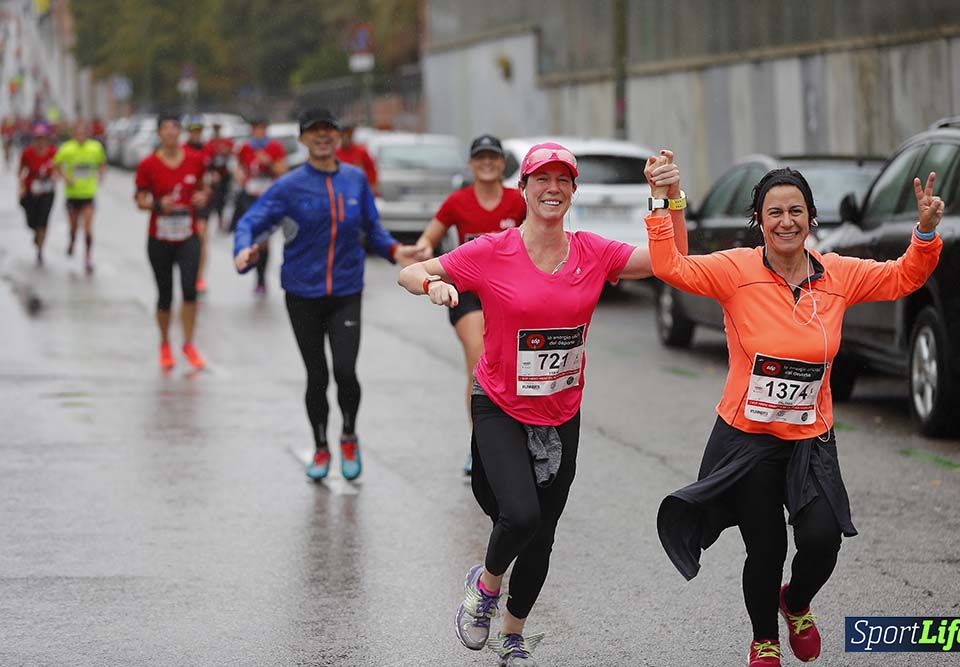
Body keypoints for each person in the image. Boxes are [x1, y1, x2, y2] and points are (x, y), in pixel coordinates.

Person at [646, 153, 944, 666]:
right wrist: (664, 200)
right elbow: (670, 264)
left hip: (811, 436)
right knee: (765, 549)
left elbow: (902, 278)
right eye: (774, 212)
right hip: (749, 437)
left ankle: (795, 601)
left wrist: (924, 232)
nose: (786, 222)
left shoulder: (837, 274)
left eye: (796, 211)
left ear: (810, 218)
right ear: (759, 222)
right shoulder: (735, 270)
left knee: (823, 539)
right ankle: (764, 639)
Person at [398, 142, 680, 666]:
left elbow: (669, 263)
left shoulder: (592, 252)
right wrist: (433, 285)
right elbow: (410, 273)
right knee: (520, 516)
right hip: (499, 404)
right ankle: (484, 588)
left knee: (542, 537)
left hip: (560, 412)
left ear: (573, 192)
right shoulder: (492, 250)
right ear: (522, 189)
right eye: (541, 180)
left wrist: (668, 199)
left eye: (563, 181)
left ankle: (512, 636)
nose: (553, 189)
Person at [234, 108, 422, 482]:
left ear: (338, 138)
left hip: (346, 291)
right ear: (302, 139)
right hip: (302, 292)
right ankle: (321, 446)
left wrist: (395, 252)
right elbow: (250, 221)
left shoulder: (355, 180)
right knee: (317, 375)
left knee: (345, 370)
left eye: (329, 131)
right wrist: (243, 248)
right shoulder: (289, 186)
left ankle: (348, 435)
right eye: (314, 131)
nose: (322, 137)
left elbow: (373, 228)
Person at [414, 134, 526, 475]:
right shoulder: (458, 202)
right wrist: (420, 251)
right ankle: (480, 444)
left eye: (494, 156)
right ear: (471, 164)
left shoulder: (518, 201)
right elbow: (429, 238)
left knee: (515, 368)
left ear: (503, 163)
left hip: (513, 296)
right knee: (479, 360)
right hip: (468, 294)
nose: (488, 162)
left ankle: (518, 439)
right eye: (481, 157)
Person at [134, 113, 212, 370]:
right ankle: (165, 343)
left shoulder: (195, 160)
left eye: (174, 128)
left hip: (188, 236)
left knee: (190, 289)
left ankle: (189, 344)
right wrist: (157, 204)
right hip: (160, 238)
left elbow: (204, 188)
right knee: (165, 294)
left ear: (180, 132)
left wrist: (202, 197)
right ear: (159, 134)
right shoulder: (148, 165)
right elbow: (140, 200)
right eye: (165, 129)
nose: (170, 133)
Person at [232, 118, 287, 294]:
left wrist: (269, 161)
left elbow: (283, 171)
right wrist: (240, 176)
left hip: (268, 197)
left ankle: (261, 278)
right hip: (250, 196)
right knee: (252, 233)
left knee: (264, 240)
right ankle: (252, 268)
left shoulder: (274, 147)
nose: (259, 133)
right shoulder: (245, 148)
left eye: (261, 129)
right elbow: (239, 167)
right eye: (256, 129)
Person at [54, 119, 107, 273]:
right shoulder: (66, 148)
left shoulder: (95, 147)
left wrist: (101, 175)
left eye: (83, 133)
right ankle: (71, 241)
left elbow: (102, 163)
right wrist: (65, 177)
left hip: (88, 193)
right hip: (72, 194)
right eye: (78, 133)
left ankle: (88, 257)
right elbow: (56, 165)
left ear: (87, 133)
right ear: (74, 134)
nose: (81, 135)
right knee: (74, 227)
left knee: (88, 228)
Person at [18, 122, 57, 266]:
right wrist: (21, 187)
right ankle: (36, 233)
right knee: (32, 221)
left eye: (43, 138)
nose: (40, 141)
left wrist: (55, 177)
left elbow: (58, 169)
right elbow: (21, 171)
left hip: (47, 192)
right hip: (31, 192)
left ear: (47, 139)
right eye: (38, 138)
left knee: (44, 220)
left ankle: (40, 250)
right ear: (34, 139)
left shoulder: (53, 152)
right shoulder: (27, 153)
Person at [184, 117, 210, 293]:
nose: (196, 134)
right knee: (186, 240)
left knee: (201, 238)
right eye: (193, 131)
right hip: (185, 202)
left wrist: (209, 188)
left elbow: (217, 172)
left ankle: (199, 277)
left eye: (198, 131)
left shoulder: (209, 150)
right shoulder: (182, 151)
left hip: (202, 201)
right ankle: (187, 274)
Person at [204, 122, 235, 232]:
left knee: (223, 199)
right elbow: (206, 159)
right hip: (213, 175)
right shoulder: (209, 143)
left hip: (225, 175)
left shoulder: (225, 142)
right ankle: (210, 221)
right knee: (213, 199)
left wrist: (225, 151)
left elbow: (232, 154)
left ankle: (221, 221)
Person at [334, 122, 378, 193]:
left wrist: (372, 186)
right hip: (340, 189)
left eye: (348, 135)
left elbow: (371, 170)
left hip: (359, 188)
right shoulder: (335, 153)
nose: (346, 138)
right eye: (343, 135)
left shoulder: (361, 152)